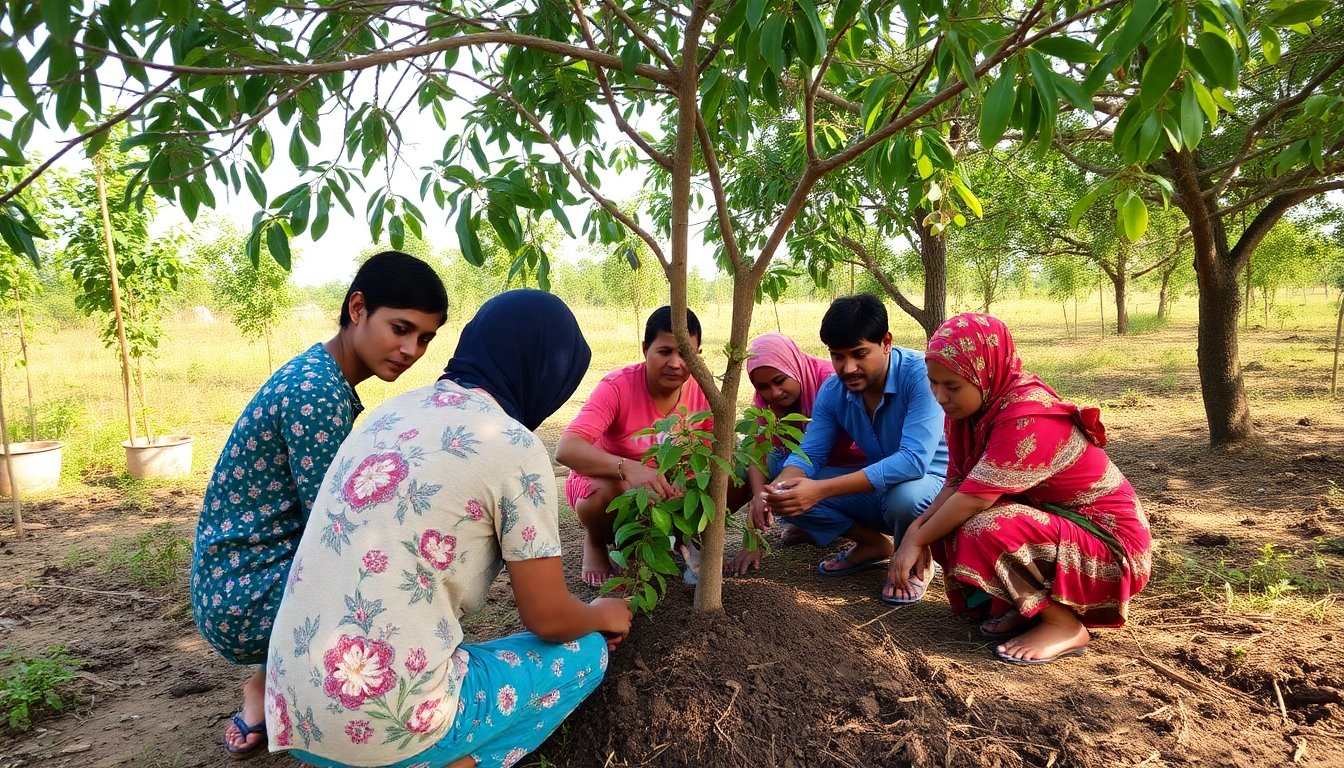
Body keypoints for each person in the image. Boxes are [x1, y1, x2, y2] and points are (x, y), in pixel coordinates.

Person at [264, 289, 632, 768]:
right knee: (583, 654)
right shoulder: (512, 447)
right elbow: (549, 618)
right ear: (544, 372)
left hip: (291, 710)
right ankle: (455, 760)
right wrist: (603, 612)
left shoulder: (389, 412)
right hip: (379, 736)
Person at [190, 251, 449, 759]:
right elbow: (337, 531)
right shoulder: (318, 393)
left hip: (235, 576)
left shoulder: (322, 373)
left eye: (424, 339)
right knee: (387, 590)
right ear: (357, 308)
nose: (411, 349)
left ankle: (265, 687)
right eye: (400, 328)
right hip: (242, 596)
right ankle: (309, 707)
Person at [890, 313, 1152, 664]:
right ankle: (1031, 606)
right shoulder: (969, 415)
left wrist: (916, 538)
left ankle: (1064, 626)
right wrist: (915, 531)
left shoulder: (1028, 417)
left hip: (1110, 547)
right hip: (1058, 528)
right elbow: (955, 484)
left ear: (986, 373)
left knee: (984, 526)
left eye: (952, 386)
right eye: (934, 383)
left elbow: (973, 499)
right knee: (946, 523)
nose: (940, 396)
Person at [761, 295, 947, 604]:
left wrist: (819, 490)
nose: (848, 368)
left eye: (859, 354)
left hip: (934, 490)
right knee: (788, 483)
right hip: (881, 488)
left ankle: (914, 560)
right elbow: (811, 454)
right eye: (837, 356)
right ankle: (874, 546)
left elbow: (913, 462)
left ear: (886, 342)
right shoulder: (834, 391)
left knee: (907, 495)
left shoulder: (920, 375)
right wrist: (775, 490)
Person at [556, 305, 733, 587]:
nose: (676, 363)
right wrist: (627, 468)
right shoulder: (618, 386)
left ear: (697, 356)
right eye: (665, 352)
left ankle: (688, 540)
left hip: (670, 488)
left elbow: (719, 452)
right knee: (615, 490)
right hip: (616, 482)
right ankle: (597, 540)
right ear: (645, 349)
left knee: (733, 476)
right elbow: (566, 448)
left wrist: (687, 484)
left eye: (685, 354)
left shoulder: (705, 393)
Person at [728, 332, 867, 575]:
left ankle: (870, 540)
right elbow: (756, 452)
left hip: (855, 473)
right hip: (811, 469)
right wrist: (759, 501)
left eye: (780, 380)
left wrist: (773, 492)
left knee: (783, 475)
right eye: (764, 388)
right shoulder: (765, 403)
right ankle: (816, 527)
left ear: (793, 365)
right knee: (770, 469)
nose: (774, 393)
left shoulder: (830, 382)